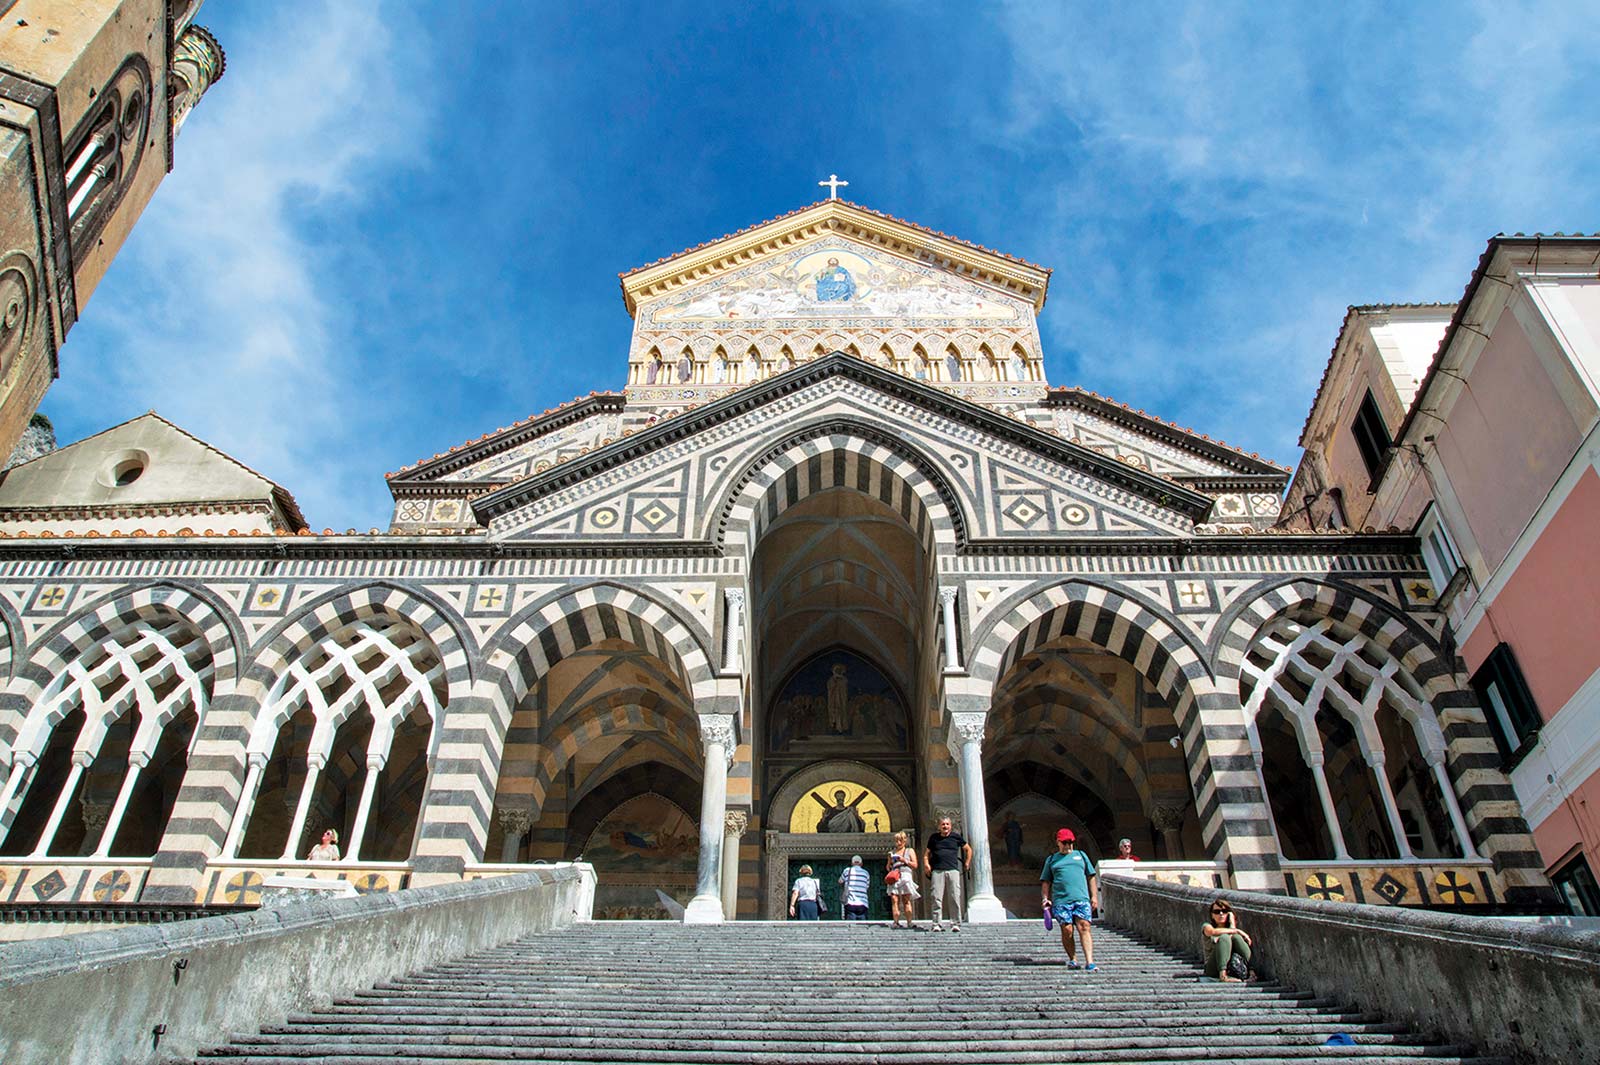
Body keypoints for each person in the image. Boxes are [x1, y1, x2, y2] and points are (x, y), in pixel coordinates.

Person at [1040, 828, 1099, 970]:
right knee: (1067, 930)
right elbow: (1046, 881)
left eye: (1071, 842)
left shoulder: (1081, 856)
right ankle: (1073, 958)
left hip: (1081, 898)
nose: (1068, 845)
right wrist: (1045, 899)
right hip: (1061, 901)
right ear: (1058, 843)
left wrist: (1094, 896)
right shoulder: (1052, 860)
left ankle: (1090, 961)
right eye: (1065, 842)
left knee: (1084, 926)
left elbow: (1091, 876)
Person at [923, 816, 971, 932]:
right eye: (943, 824)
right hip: (937, 870)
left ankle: (955, 923)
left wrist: (967, 862)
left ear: (951, 826)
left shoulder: (956, 837)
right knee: (936, 897)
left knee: (954, 896)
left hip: (952, 870)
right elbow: (926, 854)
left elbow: (968, 849)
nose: (945, 826)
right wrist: (926, 865)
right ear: (939, 826)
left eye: (947, 824)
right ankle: (936, 924)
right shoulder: (934, 838)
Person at [1202, 897, 1254, 981]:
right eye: (1217, 912)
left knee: (1236, 937)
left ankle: (1252, 972)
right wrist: (1237, 930)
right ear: (1212, 915)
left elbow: (1233, 934)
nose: (1221, 914)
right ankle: (1223, 976)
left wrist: (1232, 923)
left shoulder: (1231, 929)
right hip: (1213, 968)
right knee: (1225, 937)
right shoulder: (1207, 926)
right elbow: (1212, 932)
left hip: (1233, 964)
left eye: (1224, 911)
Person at [887, 831, 920, 928]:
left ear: (904, 841)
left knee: (906, 899)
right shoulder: (892, 852)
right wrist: (889, 862)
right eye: (896, 840)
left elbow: (915, 865)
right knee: (894, 899)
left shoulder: (909, 851)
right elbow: (888, 867)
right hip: (895, 876)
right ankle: (896, 922)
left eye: (900, 840)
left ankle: (909, 922)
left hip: (905, 875)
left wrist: (904, 860)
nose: (898, 843)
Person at [839, 855, 871, 920]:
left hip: (851, 902)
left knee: (851, 924)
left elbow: (840, 881)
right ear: (861, 864)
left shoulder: (847, 871)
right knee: (862, 925)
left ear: (852, 863)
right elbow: (867, 886)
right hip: (863, 903)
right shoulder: (866, 873)